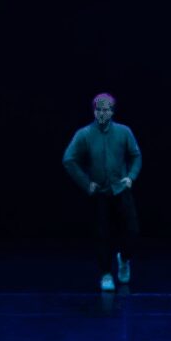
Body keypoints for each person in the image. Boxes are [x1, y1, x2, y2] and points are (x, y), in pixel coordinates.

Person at [62, 92, 141, 292]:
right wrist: (86, 183)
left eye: (106, 109)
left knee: (132, 232)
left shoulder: (124, 131)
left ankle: (124, 259)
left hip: (121, 190)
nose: (102, 113)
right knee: (102, 235)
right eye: (98, 109)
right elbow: (69, 159)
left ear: (112, 111)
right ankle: (106, 273)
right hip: (100, 193)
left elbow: (136, 155)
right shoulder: (85, 134)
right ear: (94, 111)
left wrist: (131, 177)